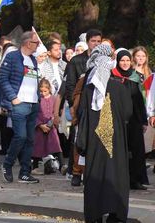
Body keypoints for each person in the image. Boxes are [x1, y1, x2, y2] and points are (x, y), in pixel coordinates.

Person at [77, 44, 132, 223]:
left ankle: (95, 214)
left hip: (94, 144)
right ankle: (115, 214)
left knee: (95, 177)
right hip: (115, 143)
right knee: (116, 175)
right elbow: (127, 114)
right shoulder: (120, 87)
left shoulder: (89, 89)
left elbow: (82, 114)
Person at [0, 31, 41, 184]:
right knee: (20, 136)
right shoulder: (12, 57)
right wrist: (13, 98)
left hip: (33, 103)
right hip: (20, 104)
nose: (38, 45)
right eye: (36, 42)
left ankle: (24, 173)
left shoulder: (33, 60)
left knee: (29, 139)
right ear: (28, 43)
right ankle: (7, 164)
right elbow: (2, 79)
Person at [64, 29, 102, 186]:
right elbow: (70, 85)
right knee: (79, 139)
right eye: (93, 41)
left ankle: (92, 172)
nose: (96, 44)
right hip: (81, 106)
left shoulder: (104, 61)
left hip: (98, 106)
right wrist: (73, 106)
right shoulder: (77, 61)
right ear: (87, 42)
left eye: (99, 41)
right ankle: (76, 172)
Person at [113, 49, 149, 189]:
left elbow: (139, 100)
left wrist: (143, 121)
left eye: (128, 60)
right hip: (118, 119)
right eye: (122, 60)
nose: (125, 63)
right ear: (118, 61)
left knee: (136, 150)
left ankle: (135, 180)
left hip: (134, 120)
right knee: (120, 150)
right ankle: (120, 179)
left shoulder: (134, 77)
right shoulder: (112, 76)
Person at [31, 79, 63, 175]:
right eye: (41, 91)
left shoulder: (53, 99)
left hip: (51, 126)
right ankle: (35, 167)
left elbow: (55, 112)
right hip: (39, 128)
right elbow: (34, 114)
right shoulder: (37, 99)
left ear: (49, 89)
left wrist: (53, 121)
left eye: (45, 91)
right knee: (37, 147)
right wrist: (40, 125)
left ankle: (62, 165)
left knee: (55, 145)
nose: (43, 93)